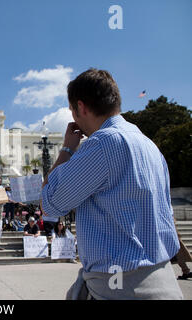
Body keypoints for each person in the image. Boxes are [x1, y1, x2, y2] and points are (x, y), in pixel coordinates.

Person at [41, 68, 182, 300]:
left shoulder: (102, 145)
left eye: (73, 111)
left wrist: (67, 150)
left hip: (121, 285)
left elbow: (50, 203)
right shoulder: (149, 145)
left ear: (82, 107)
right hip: (163, 276)